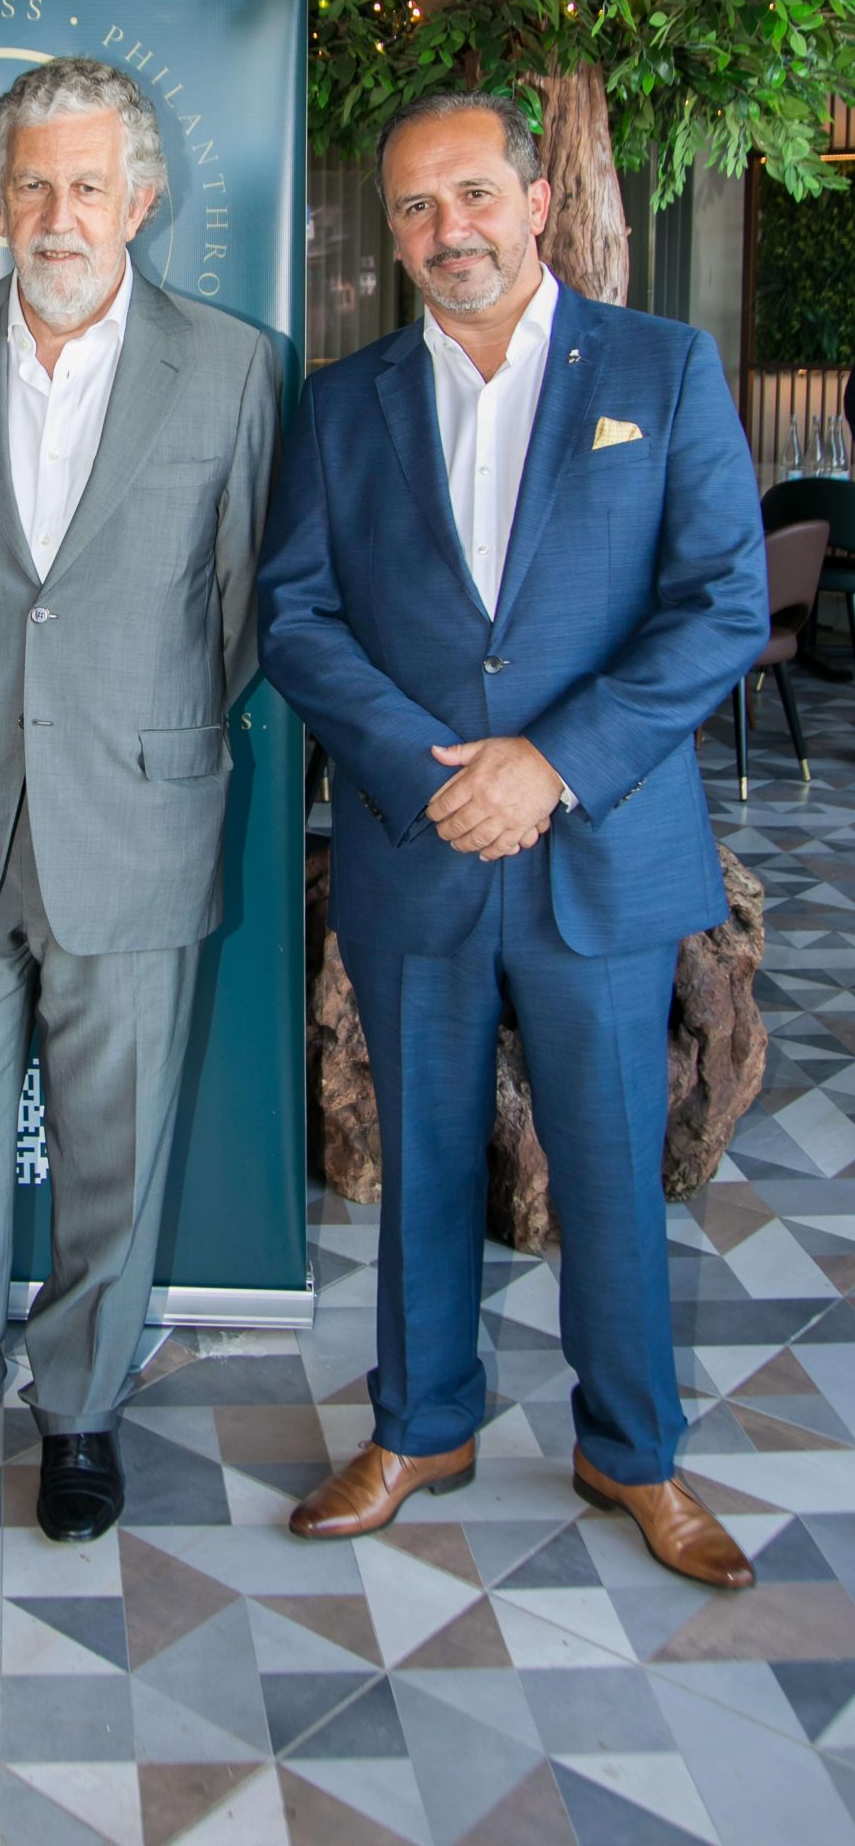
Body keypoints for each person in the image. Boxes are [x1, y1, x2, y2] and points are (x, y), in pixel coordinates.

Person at [259, 91, 768, 1587]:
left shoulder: (663, 369)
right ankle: (421, 1426)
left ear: (538, 202)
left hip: (596, 846)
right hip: (419, 841)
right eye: (416, 207)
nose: (448, 230)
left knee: (611, 1168)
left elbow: (724, 606)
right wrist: (431, 774)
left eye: (474, 193)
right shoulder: (339, 403)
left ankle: (634, 1451)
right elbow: (295, 615)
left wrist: (550, 766)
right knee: (418, 1158)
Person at [0, 57, 282, 1542]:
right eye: (31, 182)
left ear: (140, 199)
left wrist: (126, 727)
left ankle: (83, 1411)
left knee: (119, 1140)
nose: (58, 213)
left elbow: (237, 612)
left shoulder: (232, 366)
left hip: (138, 812)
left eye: (88, 184)